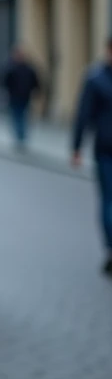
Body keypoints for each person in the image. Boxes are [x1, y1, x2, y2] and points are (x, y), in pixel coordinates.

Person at [70, 37, 112, 277]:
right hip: (106, 149)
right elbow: (83, 114)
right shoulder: (95, 79)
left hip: (105, 146)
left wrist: (76, 147)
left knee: (108, 201)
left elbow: (83, 115)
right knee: (108, 201)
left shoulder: (95, 78)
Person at [0, 46, 41, 151]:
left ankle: (21, 136)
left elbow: (35, 81)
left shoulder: (27, 69)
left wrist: (36, 90)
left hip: (24, 97)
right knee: (17, 116)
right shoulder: (12, 68)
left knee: (21, 117)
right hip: (15, 97)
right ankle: (20, 136)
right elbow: (4, 81)